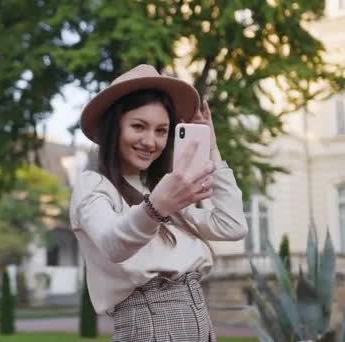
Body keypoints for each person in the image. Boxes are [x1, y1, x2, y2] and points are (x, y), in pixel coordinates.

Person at [69, 64, 248, 341]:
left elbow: (232, 226)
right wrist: (156, 207)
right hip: (150, 326)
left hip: (199, 322)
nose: (150, 141)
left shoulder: (159, 190)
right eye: (138, 126)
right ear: (113, 128)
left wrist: (211, 149)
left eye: (162, 130)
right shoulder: (93, 185)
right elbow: (113, 243)